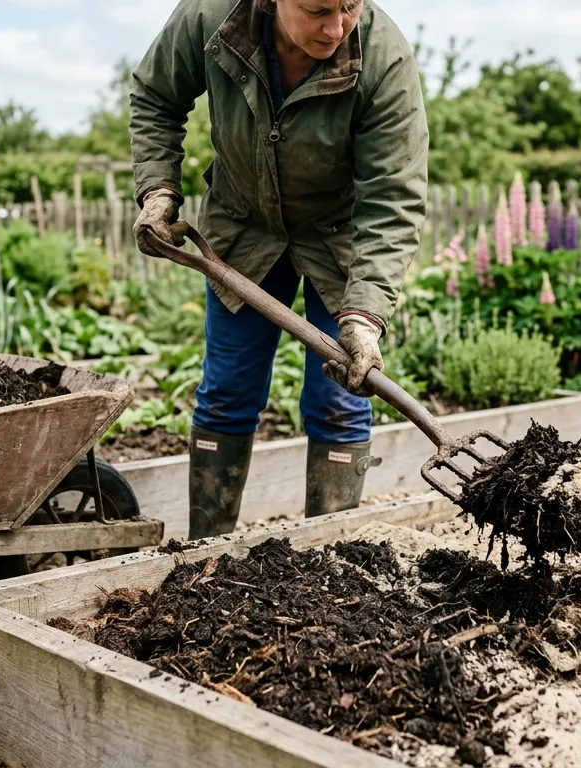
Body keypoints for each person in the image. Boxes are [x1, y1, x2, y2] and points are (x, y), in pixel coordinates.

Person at [130, 0, 427, 539]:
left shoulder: (384, 56)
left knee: (341, 398)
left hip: (340, 242)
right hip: (243, 228)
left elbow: (393, 198)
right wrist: (158, 187)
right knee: (227, 393)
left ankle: (331, 564)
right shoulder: (210, 17)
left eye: (350, 7)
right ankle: (206, 553)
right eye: (317, 10)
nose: (336, 27)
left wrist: (364, 318)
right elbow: (155, 96)